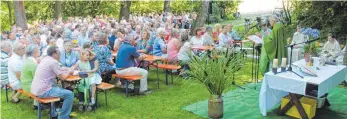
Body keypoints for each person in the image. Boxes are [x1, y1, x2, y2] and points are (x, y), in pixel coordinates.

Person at [31, 46, 74, 119]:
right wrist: (69, 71)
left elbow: (58, 69)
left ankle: (54, 113)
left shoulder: (45, 59)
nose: (60, 54)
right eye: (59, 53)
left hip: (35, 89)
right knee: (69, 94)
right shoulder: (53, 62)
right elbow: (63, 78)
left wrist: (64, 70)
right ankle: (63, 117)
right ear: (54, 54)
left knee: (55, 86)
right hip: (43, 91)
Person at [20, 44, 41, 109]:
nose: (40, 51)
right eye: (38, 50)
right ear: (34, 52)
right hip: (30, 87)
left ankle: (36, 105)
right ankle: (54, 108)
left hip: (24, 85)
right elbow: (38, 79)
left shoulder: (27, 61)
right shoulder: (33, 64)